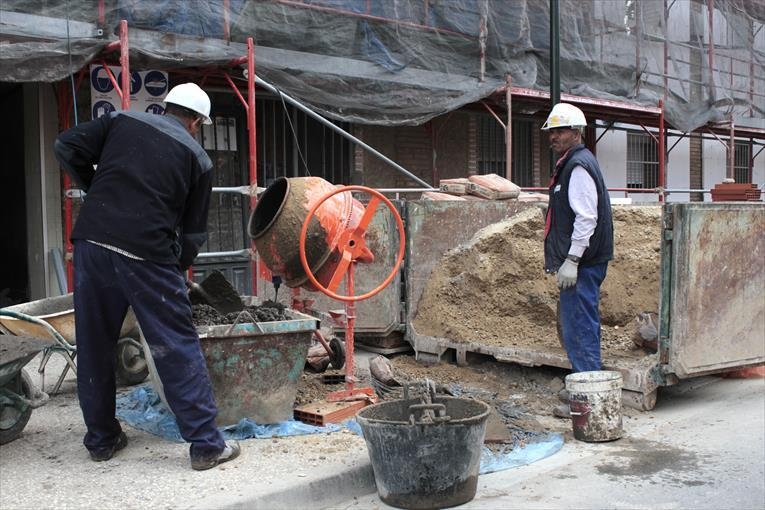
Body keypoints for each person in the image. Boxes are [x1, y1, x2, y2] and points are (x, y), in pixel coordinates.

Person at [54, 82, 240, 470]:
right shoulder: (198, 158)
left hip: (93, 242)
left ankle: (102, 440)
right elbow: (193, 235)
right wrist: (176, 267)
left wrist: (97, 189)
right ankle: (206, 445)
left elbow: (65, 147)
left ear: (166, 107)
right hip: (148, 253)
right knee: (176, 343)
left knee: (94, 343)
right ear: (196, 123)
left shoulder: (120, 120)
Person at [540, 103, 614, 418]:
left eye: (560, 130)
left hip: (582, 263)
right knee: (577, 324)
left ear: (577, 132)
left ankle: (588, 399)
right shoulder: (571, 163)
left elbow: (587, 218)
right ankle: (584, 387)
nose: (554, 136)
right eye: (551, 131)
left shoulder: (578, 166)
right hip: (581, 262)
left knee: (580, 326)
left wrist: (572, 259)